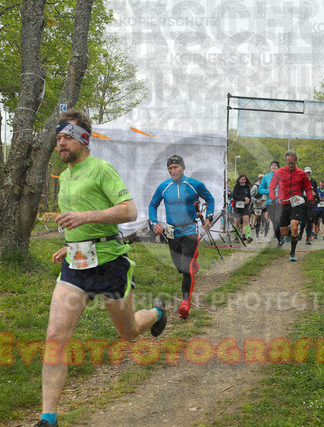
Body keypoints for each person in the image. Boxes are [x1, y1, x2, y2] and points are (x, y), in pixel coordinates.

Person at [37, 109, 167, 427]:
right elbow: (76, 224)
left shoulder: (101, 169)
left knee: (128, 332)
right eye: (57, 138)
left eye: (67, 137)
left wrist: (85, 217)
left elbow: (129, 211)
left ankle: (156, 313)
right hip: (75, 266)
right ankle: (48, 418)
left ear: (83, 138)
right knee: (55, 335)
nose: (60, 143)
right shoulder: (65, 177)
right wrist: (70, 245)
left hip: (110, 263)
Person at [149, 155, 215, 319]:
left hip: (190, 230)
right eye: (170, 168)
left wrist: (209, 217)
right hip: (172, 233)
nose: (173, 171)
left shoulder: (195, 185)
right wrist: (154, 222)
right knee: (180, 268)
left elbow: (210, 199)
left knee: (186, 269)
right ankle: (194, 258)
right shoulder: (163, 187)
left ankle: (185, 303)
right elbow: (152, 205)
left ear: (183, 167)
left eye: (176, 167)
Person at [269, 150, 314, 261]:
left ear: (296, 161)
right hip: (283, 203)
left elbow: (308, 188)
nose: (290, 165)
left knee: (294, 226)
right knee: (283, 232)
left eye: (292, 163)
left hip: (296, 203)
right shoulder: (279, 172)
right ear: (285, 161)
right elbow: (272, 186)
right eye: (288, 163)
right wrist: (273, 198)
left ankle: (292, 252)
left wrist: (309, 199)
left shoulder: (301, 174)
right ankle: (290, 234)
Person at [258, 160, 282, 245]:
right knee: (274, 221)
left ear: (278, 167)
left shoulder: (282, 176)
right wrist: (270, 191)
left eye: (275, 165)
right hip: (270, 202)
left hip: (281, 202)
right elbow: (260, 190)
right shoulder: (266, 177)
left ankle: (284, 234)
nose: (274, 167)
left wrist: (280, 192)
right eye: (272, 165)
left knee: (281, 220)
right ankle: (280, 240)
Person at [299, 167, 318, 244]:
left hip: (311, 203)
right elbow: (299, 191)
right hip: (303, 203)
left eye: (309, 173)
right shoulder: (301, 181)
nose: (307, 174)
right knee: (303, 221)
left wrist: (315, 195)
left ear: (311, 173)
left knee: (310, 221)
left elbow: (316, 192)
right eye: (306, 173)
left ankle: (308, 237)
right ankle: (300, 233)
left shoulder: (313, 181)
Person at [232, 174, 253, 243]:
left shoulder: (247, 187)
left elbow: (249, 196)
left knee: (246, 221)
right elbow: (234, 196)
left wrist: (248, 201)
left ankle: (249, 236)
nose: (243, 181)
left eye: (244, 179)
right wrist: (243, 198)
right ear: (239, 180)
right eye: (242, 179)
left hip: (245, 207)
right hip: (237, 207)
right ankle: (236, 237)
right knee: (237, 223)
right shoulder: (236, 187)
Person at [250, 174, 269, 242]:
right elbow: (251, 196)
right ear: (259, 179)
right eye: (261, 179)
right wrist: (257, 201)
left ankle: (265, 236)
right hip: (257, 206)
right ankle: (257, 237)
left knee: (267, 220)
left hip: (265, 205)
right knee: (258, 221)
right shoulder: (255, 187)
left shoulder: (267, 186)